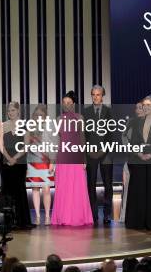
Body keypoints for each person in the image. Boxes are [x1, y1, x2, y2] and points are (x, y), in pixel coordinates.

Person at [51, 91, 94, 226]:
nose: (66, 105)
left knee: (77, 188)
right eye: (64, 103)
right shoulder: (58, 119)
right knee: (63, 187)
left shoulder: (79, 118)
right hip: (63, 157)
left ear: (74, 104)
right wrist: (53, 161)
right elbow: (57, 141)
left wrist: (84, 160)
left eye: (69, 103)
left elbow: (82, 139)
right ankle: (63, 217)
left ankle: (77, 217)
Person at [125, 95, 151, 230]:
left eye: (149, 105)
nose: (146, 107)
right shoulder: (136, 122)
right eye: (144, 104)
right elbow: (132, 142)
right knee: (139, 191)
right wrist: (140, 154)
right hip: (138, 161)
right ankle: (137, 222)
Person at [0, 102, 34, 229]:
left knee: (19, 189)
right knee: (6, 189)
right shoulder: (3, 125)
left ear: (18, 111)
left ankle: (22, 220)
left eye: (13, 110)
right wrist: (8, 158)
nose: (10, 113)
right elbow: (0, 145)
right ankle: (6, 221)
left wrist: (14, 158)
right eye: (9, 110)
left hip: (19, 161)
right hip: (5, 161)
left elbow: (26, 146)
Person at [82, 85, 114, 225]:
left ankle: (107, 215)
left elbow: (112, 133)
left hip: (105, 153)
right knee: (91, 184)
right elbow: (82, 134)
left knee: (108, 185)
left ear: (102, 96)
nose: (96, 97)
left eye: (98, 94)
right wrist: (88, 150)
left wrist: (103, 150)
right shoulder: (86, 111)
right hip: (90, 153)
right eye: (93, 94)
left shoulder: (109, 111)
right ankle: (93, 215)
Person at [25, 104, 53, 225]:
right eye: (37, 115)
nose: (39, 117)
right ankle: (36, 216)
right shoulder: (29, 129)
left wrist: (53, 162)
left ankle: (47, 216)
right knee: (35, 189)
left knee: (46, 189)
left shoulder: (50, 128)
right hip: (33, 161)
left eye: (41, 115)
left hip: (46, 162)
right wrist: (26, 165)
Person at [119, 101, 144, 222]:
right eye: (137, 108)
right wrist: (132, 149)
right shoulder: (131, 122)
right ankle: (124, 216)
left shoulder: (150, 122)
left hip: (145, 162)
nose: (138, 110)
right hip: (131, 160)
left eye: (141, 108)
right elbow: (124, 137)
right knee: (127, 189)